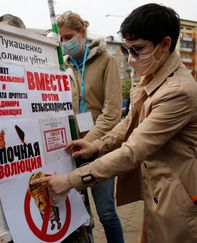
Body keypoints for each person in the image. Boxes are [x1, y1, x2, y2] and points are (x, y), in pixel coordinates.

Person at [32, 4, 197, 243]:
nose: (131, 60)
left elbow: (133, 150)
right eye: (127, 50)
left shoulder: (177, 91)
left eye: (138, 50)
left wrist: (70, 180)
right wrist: (97, 146)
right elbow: (129, 123)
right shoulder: (151, 77)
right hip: (159, 190)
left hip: (178, 194)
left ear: (165, 44)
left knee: (110, 215)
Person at [57, 11, 124, 243]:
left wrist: (91, 143)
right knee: (80, 215)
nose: (65, 43)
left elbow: (112, 111)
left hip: (99, 149)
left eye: (69, 37)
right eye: (61, 39)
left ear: (83, 33)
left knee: (106, 212)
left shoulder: (107, 60)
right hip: (71, 151)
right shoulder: (63, 66)